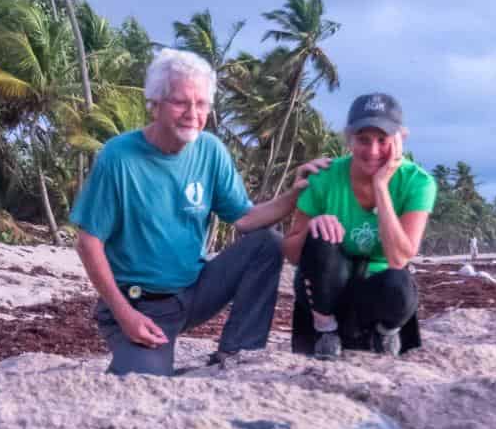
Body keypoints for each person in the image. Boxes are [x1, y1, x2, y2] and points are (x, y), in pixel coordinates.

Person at [71, 48, 323, 376]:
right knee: (140, 382)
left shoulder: (210, 150)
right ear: (155, 104)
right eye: (180, 102)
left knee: (267, 244)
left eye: (201, 103)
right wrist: (125, 315)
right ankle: (137, 348)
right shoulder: (118, 157)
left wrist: (293, 195)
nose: (193, 112)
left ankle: (237, 352)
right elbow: (88, 242)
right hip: (139, 304)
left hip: (194, 289)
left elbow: (244, 218)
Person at [282, 92, 436, 360]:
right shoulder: (324, 178)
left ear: (400, 140)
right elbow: (293, 255)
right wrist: (311, 228)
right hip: (324, 294)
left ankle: (386, 332)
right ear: (349, 139)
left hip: (375, 293)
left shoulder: (418, 182)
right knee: (320, 238)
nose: (373, 151)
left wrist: (381, 186)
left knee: (400, 284)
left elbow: (399, 258)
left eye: (383, 140)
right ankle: (326, 332)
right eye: (363, 140)